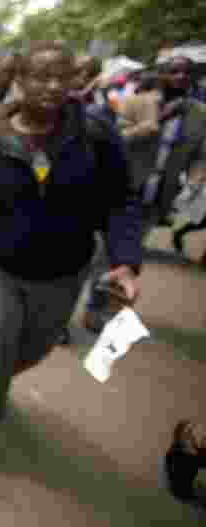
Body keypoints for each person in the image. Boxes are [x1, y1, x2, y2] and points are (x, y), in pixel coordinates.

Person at [0, 41, 143, 487]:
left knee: (31, 349)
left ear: (74, 82)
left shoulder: (97, 137)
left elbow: (122, 200)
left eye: (61, 77)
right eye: (40, 76)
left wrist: (125, 261)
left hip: (63, 273)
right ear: (20, 80)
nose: (51, 86)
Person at [80, 56, 206, 330]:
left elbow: (200, 156)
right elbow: (114, 140)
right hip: (119, 189)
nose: (181, 77)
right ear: (161, 74)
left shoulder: (199, 115)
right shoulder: (137, 101)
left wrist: (194, 182)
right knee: (99, 251)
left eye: (187, 72)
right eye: (174, 71)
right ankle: (83, 306)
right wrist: (155, 122)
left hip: (156, 197)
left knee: (124, 253)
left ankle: (97, 307)